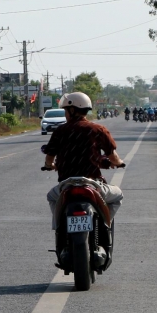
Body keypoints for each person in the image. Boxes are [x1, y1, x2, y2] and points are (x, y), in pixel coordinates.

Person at [42, 92, 124, 229]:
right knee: (118, 195)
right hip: (93, 184)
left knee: (51, 196)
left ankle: (59, 226)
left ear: (72, 110)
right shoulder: (98, 129)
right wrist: (118, 163)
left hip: (66, 185)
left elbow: (49, 156)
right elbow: (112, 156)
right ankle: (104, 226)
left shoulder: (60, 131)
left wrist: (49, 165)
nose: (65, 114)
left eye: (65, 111)